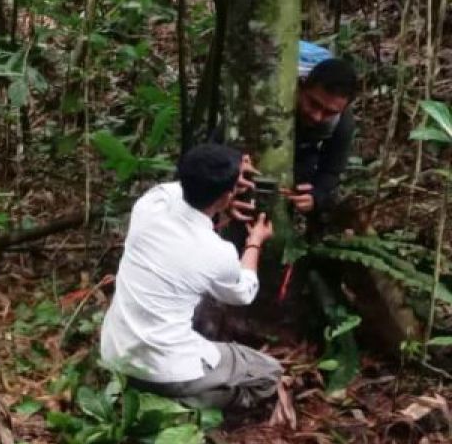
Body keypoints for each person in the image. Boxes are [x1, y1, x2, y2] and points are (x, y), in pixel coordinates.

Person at [101, 144, 282, 411]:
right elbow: (244, 292)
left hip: (116, 353)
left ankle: (139, 394)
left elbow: (177, 189)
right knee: (269, 373)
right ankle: (183, 405)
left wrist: (222, 189)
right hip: (169, 369)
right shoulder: (217, 252)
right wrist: (255, 241)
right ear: (226, 196)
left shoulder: (149, 205)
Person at [283, 56, 357, 216]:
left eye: (329, 112)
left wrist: (315, 197)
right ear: (301, 87)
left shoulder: (342, 122)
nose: (317, 116)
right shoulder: (275, 97)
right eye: (314, 103)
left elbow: (331, 170)